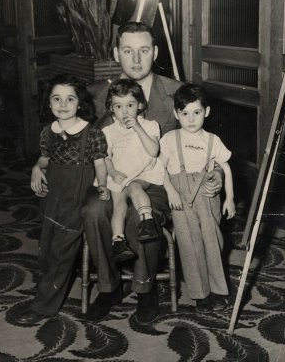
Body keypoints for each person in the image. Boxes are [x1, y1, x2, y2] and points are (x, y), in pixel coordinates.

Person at [81, 21, 223, 324]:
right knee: (94, 209)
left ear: (155, 52)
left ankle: (145, 289)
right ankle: (109, 287)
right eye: (128, 51)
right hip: (114, 176)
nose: (135, 59)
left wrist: (216, 176)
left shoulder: (175, 93)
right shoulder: (95, 96)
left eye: (143, 51)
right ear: (116, 53)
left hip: (158, 179)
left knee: (139, 215)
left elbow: (200, 143)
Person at [17, 74, 110, 324]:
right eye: (56, 99)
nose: (63, 104)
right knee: (46, 251)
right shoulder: (48, 131)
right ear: (49, 103)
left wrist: (102, 185)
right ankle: (49, 287)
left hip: (76, 199)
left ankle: (44, 306)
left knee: (60, 254)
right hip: (52, 199)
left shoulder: (91, 134)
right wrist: (37, 168)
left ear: (80, 103)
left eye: (70, 99)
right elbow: (45, 159)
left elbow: (101, 164)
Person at [160, 83, 235, 313]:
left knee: (212, 239)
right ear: (176, 114)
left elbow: (227, 168)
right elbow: (159, 169)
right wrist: (171, 191)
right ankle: (200, 294)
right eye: (184, 113)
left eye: (196, 112)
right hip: (180, 197)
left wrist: (229, 198)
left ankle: (219, 289)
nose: (191, 119)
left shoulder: (212, 140)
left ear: (207, 112)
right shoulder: (170, 139)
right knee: (189, 243)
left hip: (206, 193)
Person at [103, 78, 165, 263]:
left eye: (130, 105)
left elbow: (153, 151)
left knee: (135, 187)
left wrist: (137, 127)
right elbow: (105, 157)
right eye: (118, 106)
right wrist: (112, 172)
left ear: (140, 105)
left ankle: (147, 221)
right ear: (111, 108)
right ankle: (118, 241)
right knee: (119, 206)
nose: (124, 111)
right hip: (120, 175)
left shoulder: (149, 125)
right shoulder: (109, 131)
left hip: (143, 172)